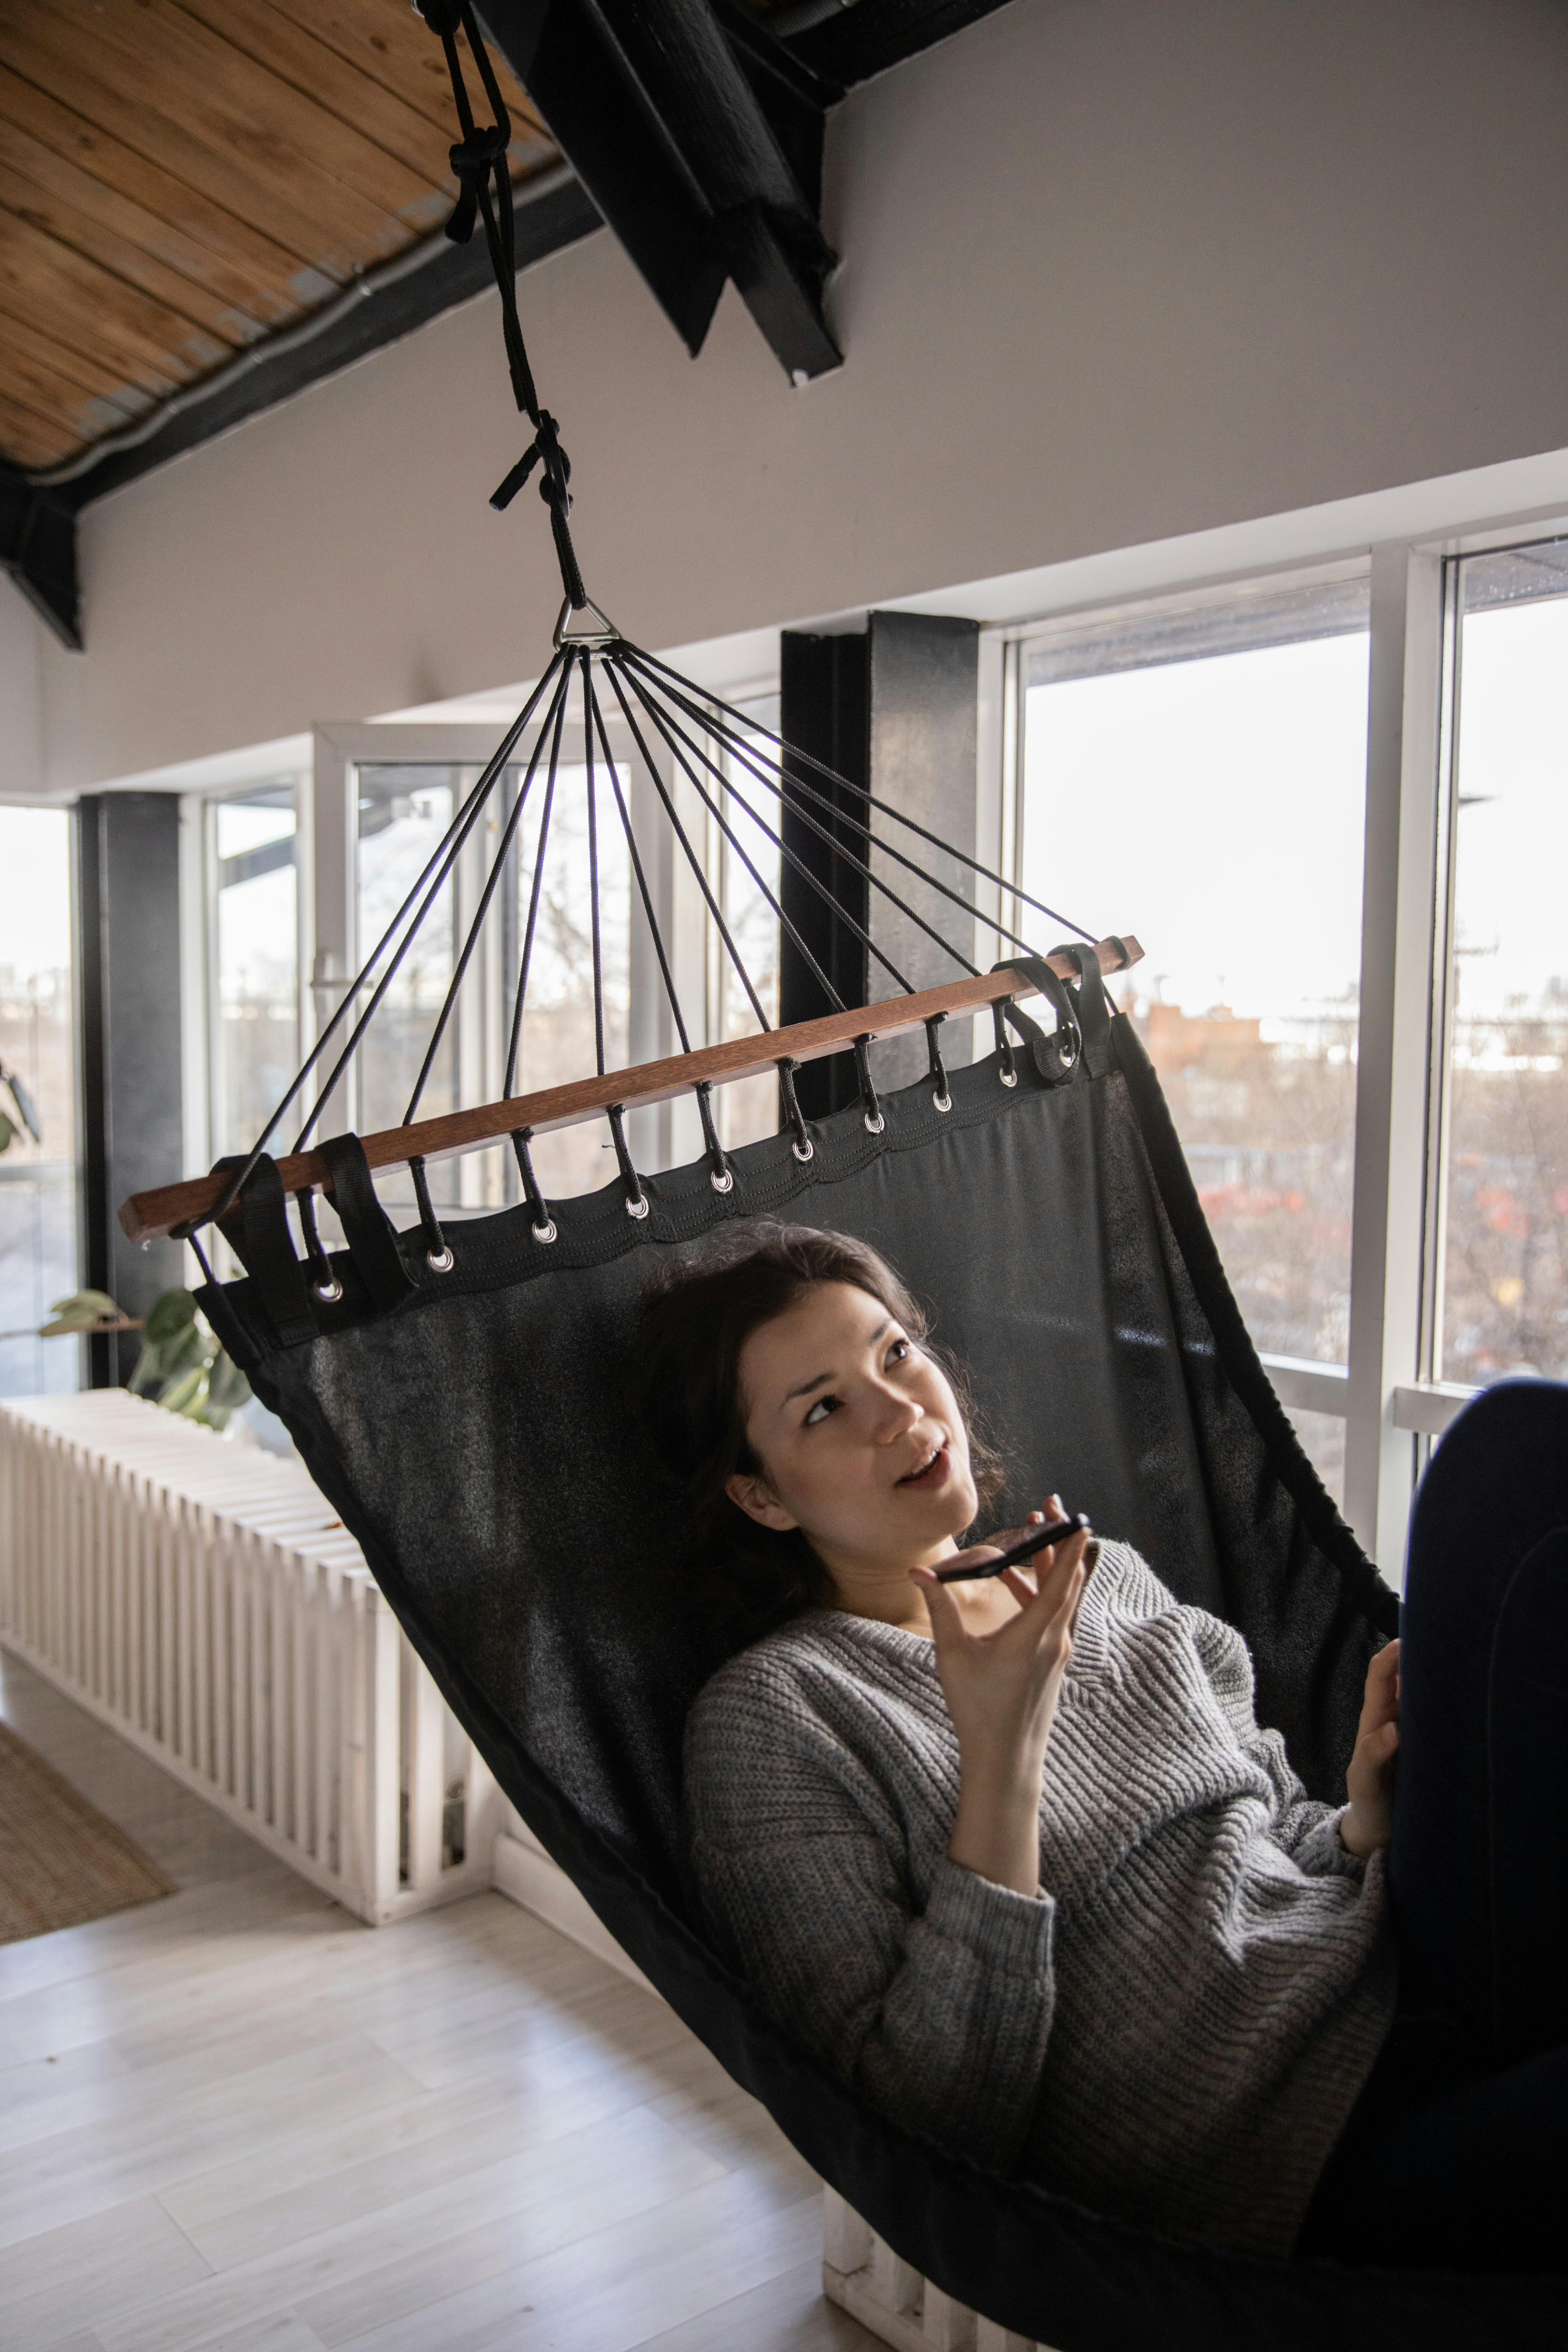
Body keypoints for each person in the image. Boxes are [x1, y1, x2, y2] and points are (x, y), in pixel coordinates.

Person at [626, 1222, 1567, 2272]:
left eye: (896, 1354)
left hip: (1405, 1954)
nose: (902, 1411)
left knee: (1514, 1457)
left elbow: (1266, 1840)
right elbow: (924, 2133)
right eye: (826, 1407)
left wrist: (1356, 1823)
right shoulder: (781, 1716)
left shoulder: (1099, 1571)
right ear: (760, 1495)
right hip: (1286, 2152)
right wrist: (1002, 1754)